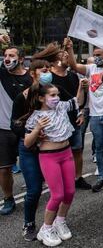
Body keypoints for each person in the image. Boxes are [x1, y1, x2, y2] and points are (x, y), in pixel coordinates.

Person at [24, 81, 86, 247]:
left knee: (70, 191)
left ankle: (60, 221)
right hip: (49, 157)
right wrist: (37, 129)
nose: (56, 98)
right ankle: (46, 228)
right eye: (52, 95)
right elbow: (27, 143)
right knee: (57, 195)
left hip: (66, 153)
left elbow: (77, 102)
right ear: (41, 98)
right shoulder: (35, 117)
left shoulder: (61, 107)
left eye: (57, 94)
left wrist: (81, 86)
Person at [65, 35, 103, 193]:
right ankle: (102, 178)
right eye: (95, 55)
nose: (96, 57)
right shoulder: (90, 69)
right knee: (99, 147)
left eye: (100, 54)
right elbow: (73, 65)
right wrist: (70, 48)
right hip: (95, 115)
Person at [32, 44, 91, 190]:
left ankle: (77, 178)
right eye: (62, 55)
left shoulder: (73, 76)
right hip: (53, 124)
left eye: (67, 54)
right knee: (54, 152)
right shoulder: (48, 79)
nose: (66, 57)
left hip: (74, 119)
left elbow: (77, 100)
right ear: (54, 61)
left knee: (77, 149)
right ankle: (53, 179)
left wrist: (81, 112)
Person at [11, 60, 55, 241]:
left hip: (51, 148)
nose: (46, 72)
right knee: (34, 190)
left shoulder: (54, 93)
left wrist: (81, 113)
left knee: (57, 190)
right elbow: (14, 124)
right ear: (33, 74)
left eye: (48, 69)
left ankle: (54, 224)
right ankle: (29, 224)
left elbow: (72, 105)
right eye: (42, 70)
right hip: (29, 148)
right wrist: (32, 133)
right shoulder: (22, 97)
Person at [0, 45, 32, 215]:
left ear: (21, 59)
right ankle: (8, 198)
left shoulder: (30, 78)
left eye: (11, 55)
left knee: (29, 165)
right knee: (4, 168)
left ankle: (33, 191)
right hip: (3, 129)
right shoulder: (2, 73)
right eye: (5, 55)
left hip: (25, 129)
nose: (7, 58)